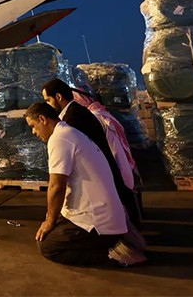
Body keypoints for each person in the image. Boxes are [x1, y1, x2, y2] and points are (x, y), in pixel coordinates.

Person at [25, 102, 146, 267]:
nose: (34, 132)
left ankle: (114, 256)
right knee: (54, 228)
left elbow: (56, 186)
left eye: (33, 126)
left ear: (42, 119)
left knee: (48, 246)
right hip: (108, 216)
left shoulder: (59, 139)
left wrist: (50, 221)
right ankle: (115, 243)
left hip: (99, 221)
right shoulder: (69, 132)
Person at [41, 78, 142, 230]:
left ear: (58, 97)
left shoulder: (72, 119)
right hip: (105, 168)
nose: (47, 105)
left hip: (99, 173)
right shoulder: (77, 112)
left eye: (48, 100)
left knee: (118, 212)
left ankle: (127, 240)